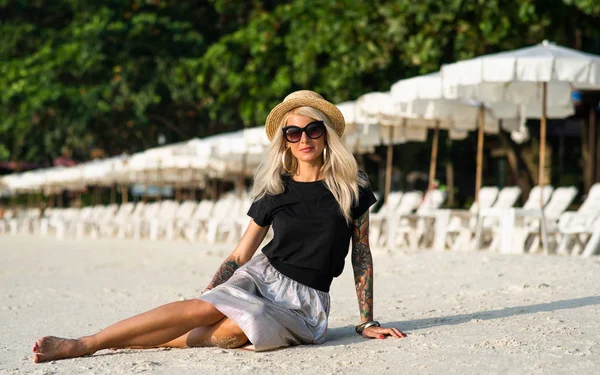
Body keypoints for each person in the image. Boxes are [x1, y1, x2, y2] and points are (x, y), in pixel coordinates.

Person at [32, 90, 406, 363]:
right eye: (294, 133)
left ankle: (160, 340)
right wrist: (210, 297)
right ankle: (86, 343)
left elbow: (361, 254)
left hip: (305, 304)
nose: (304, 138)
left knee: (235, 330)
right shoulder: (275, 190)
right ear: (285, 143)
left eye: (312, 129)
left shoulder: (352, 189)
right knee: (202, 310)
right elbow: (241, 254)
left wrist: (366, 320)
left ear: (326, 135)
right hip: (261, 277)